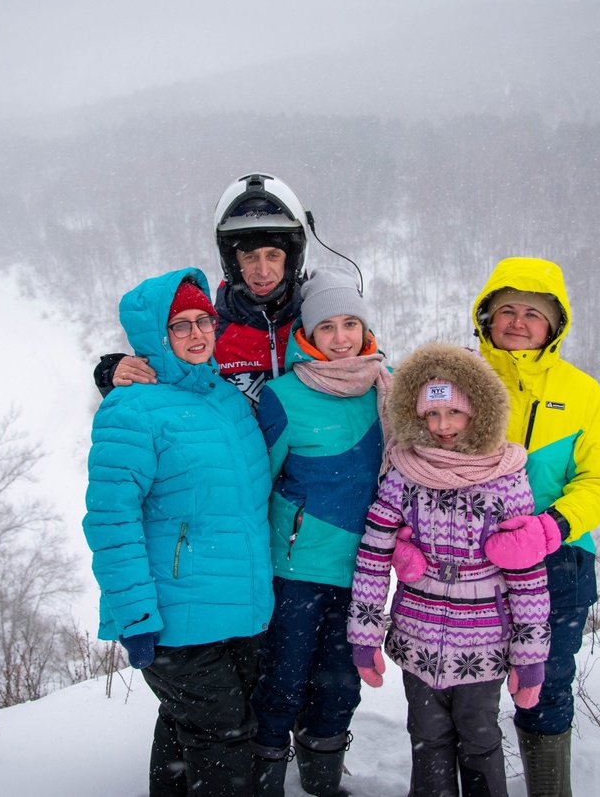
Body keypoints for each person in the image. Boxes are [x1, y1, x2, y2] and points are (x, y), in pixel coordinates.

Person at [83, 268, 274, 797]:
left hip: (238, 608)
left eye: (203, 322)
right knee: (225, 734)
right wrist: (135, 614)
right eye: (179, 326)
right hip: (173, 618)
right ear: (156, 337)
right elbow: (110, 518)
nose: (196, 335)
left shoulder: (228, 400)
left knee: (188, 726)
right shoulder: (132, 410)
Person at [347, 342, 552, 797]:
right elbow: (374, 554)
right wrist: (364, 636)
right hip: (417, 638)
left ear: (478, 413)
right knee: (427, 739)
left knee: (480, 742)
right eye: (431, 416)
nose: (442, 427)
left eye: (454, 414)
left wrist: (531, 656)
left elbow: (527, 576)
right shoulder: (403, 473)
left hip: (483, 643)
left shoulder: (506, 478)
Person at [468, 257, 600, 797]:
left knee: (546, 688)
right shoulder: (459, 377)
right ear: (486, 316)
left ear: (554, 325)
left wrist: (551, 526)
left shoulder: (582, 392)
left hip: (559, 562)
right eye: (506, 309)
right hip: (471, 559)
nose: (517, 321)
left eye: (533, 313)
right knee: (472, 688)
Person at [248, 267, 391, 797]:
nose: (340, 337)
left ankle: (321, 783)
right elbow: (258, 481)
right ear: (307, 334)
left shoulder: (386, 386)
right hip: (297, 568)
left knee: (339, 683)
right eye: (326, 326)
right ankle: (264, 782)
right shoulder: (283, 396)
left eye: (350, 323)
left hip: (364, 568)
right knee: (282, 681)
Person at [94, 172, 310, 407]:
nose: (263, 270)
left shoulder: (317, 323)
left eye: (274, 255)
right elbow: (166, 383)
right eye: (249, 257)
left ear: (291, 260)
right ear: (234, 264)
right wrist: (112, 373)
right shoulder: (207, 332)